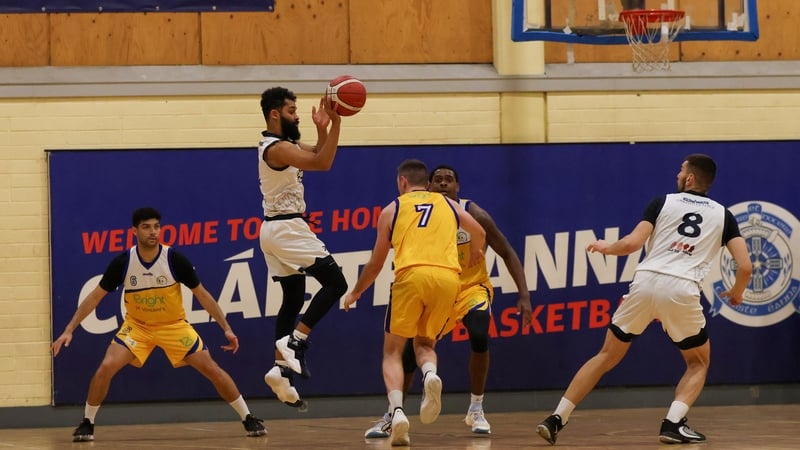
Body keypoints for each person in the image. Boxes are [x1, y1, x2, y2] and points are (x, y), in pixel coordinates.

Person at [535, 154, 752, 446]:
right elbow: (746, 266)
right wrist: (737, 292)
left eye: (681, 170)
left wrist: (605, 247)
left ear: (689, 179)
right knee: (698, 362)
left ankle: (556, 418)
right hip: (682, 289)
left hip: (646, 281)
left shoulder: (662, 202)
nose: (677, 174)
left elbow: (631, 244)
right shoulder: (723, 215)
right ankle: (673, 423)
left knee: (605, 356)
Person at [52, 207, 267, 442]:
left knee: (211, 369)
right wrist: (69, 329)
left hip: (173, 326)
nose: (153, 232)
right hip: (138, 327)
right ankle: (87, 422)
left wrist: (226, 328)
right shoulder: (124, 262)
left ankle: (248, 417)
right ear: (134, 231)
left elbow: (203, 295)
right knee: (106, 367)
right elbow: (94, 297)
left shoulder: (174, 259)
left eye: (156, 226)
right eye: (146, 227)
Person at [364, 164, 533, 438]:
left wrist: (523, 294)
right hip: (439, 289)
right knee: (409, 353)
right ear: (428, 186)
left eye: (449, 180)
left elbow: (506, 249)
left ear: (458, 187)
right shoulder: (422, 212)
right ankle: (393, 415)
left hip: (471, 289)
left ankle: (476, 408)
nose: (443, 184)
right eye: (437, 180)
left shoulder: (473, 212)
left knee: (479, 331)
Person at [343, 159, 486, 446]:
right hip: (447, 279)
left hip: (411, 276)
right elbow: (479, 232)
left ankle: (396, 412)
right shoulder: (449, 205)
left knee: (393, 352)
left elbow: (376, 263)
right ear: (428, 182)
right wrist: (475, 252)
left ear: (403, 183)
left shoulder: (392, 209)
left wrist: (356, 291)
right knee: (425, 344)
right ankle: (430, 374)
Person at [257, 87, 349, 409]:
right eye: (292, 111)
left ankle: (281, 372)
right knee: (337, 283)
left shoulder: (283, 145)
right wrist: (338, 123)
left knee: (294, 297)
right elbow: (323, 164)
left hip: (273, 228)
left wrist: (322, 130)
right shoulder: (278, 148)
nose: (297, 116)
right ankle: (296, 342)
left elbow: (316, 152)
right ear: (274, 114)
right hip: (286, 227)